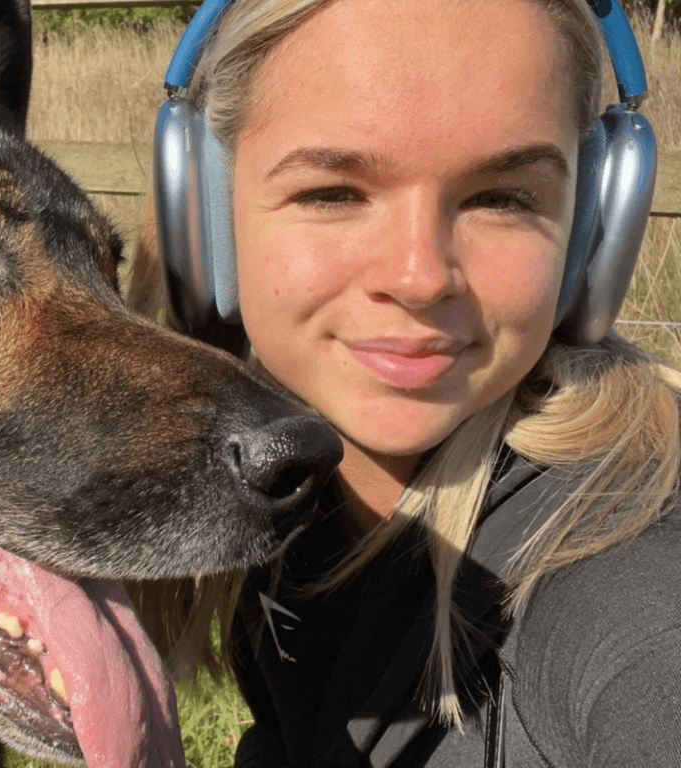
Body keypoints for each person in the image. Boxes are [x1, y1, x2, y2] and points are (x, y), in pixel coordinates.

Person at [125, 0, 681, 764]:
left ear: (590, 230)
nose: (419, 277)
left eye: (502, 198)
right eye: (333, 193)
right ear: (210, 218)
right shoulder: (300, 493)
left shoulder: (627, 592)